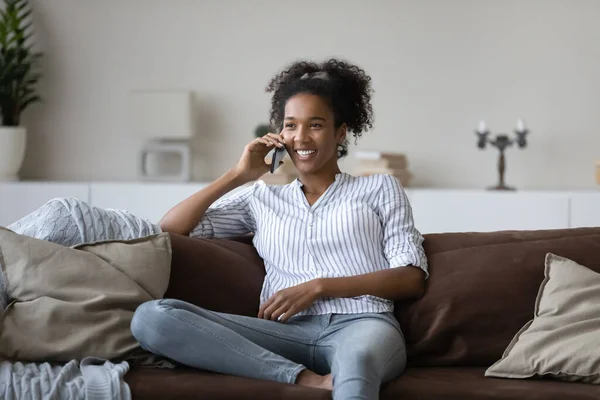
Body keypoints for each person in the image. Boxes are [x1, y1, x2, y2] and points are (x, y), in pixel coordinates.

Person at [130, 58, 428, 400]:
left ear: (340, 132)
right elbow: (170, 229)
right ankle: (303, 379)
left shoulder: (379, 188)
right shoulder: (260, 198)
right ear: (280, 135)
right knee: (152, 318)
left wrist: (318, 287)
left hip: (362, 325)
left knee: (357, 360)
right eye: (290, 125)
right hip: (283, 333)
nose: (301, 136)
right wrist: (238, 175)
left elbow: (411, 278)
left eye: (315, 125)